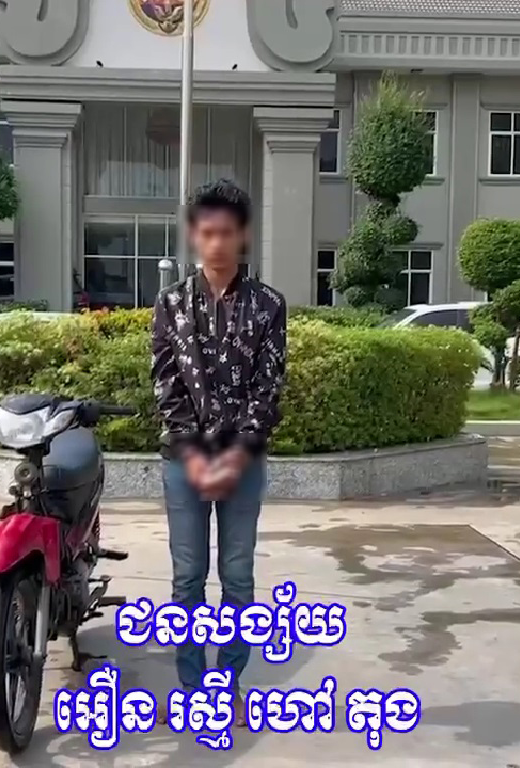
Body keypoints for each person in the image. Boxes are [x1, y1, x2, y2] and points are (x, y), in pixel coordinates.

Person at [150, 179, 288, 719]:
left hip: (243, 462)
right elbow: (167, 387)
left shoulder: (269, 305)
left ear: (242, 235)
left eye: (226, 232)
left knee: (237, 576)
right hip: (183, 462)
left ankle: (227, 683)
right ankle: (190, 685)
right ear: (195, 236)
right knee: (187, 578)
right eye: (207, 232)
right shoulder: (171, 304)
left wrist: (233, 457)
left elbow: (267, 388)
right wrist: (195, 456)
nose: (217, 243)